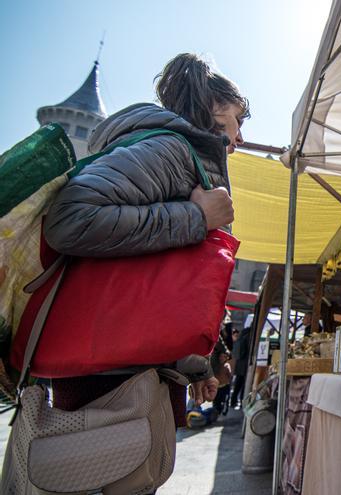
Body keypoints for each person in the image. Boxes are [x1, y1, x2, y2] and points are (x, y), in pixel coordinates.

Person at [44, 52, 248, 430]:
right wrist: (197, 218)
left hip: (132, 364)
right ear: (212, 107)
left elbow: (172, 275)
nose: (240, 137)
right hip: (111, 372)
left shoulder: (180, 156)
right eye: (237, 119)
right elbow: (69, 221)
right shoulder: (168, 150)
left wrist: (197, 365)